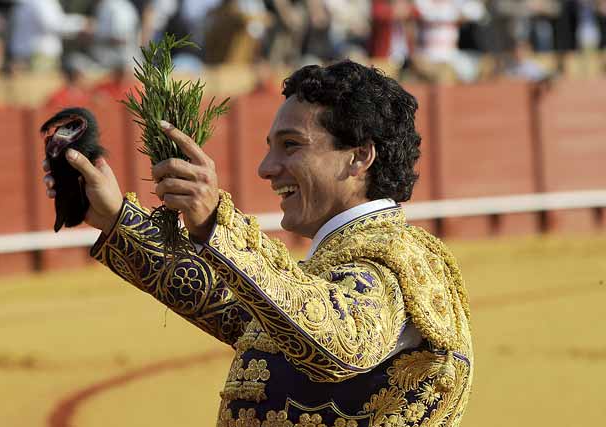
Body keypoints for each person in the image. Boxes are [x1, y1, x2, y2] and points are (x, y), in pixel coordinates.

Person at [43, 60, 473, 426]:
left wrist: (216, 222)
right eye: (271, 148)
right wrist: (116, 217)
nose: (267, 168)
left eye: (291, 146)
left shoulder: (397, 263)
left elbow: (341, 341)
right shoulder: (339, 266)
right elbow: (247, 316)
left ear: (359, 156)